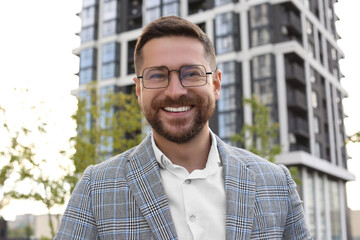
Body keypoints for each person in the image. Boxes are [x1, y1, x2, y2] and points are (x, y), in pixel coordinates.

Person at [55, 16, 311, 240]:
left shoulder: (276, 183)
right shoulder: (95, 187)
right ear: (139, 89)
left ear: (216, 85)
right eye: (157, 75)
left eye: (192, 73)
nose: (175, 91)